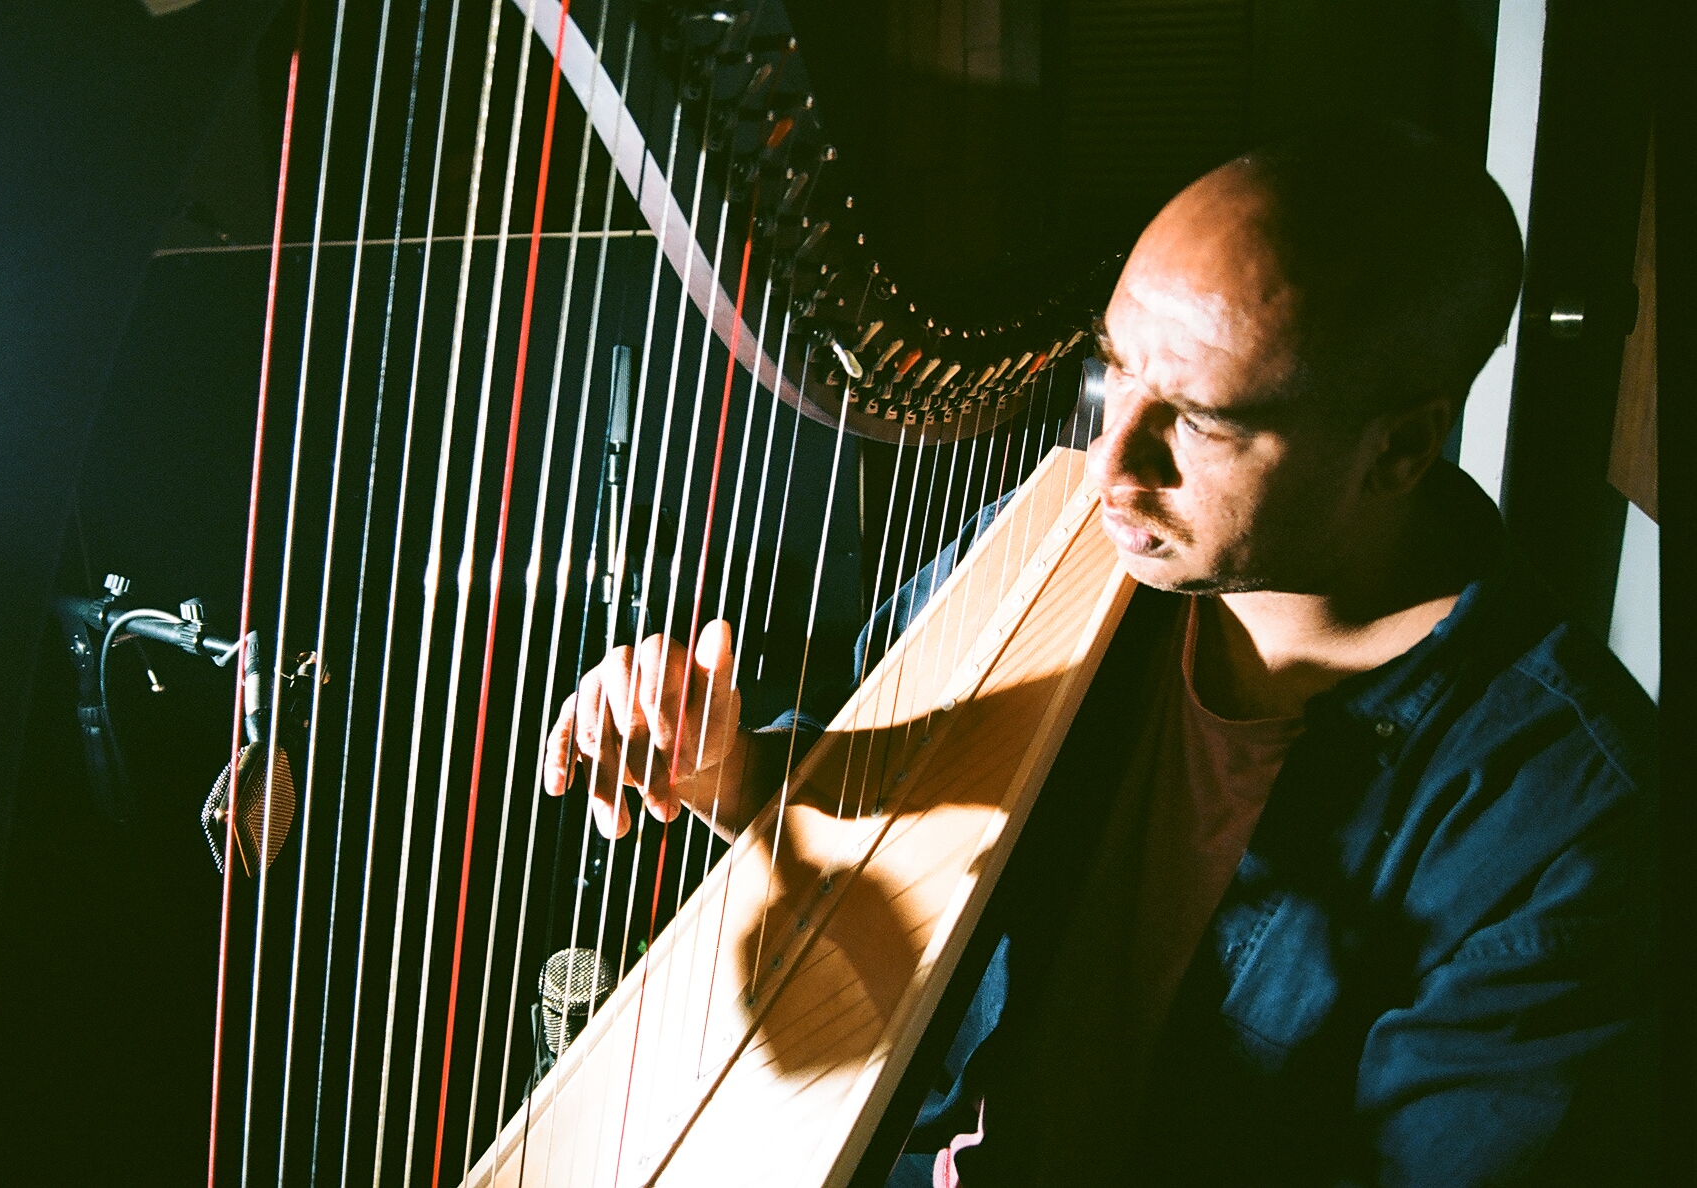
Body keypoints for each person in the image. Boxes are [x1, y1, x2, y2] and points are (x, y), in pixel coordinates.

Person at [540, 120, 1659, 1185]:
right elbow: (890, 796)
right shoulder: (1092, 547)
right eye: (1115, 367)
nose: (1112, 457)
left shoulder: (1575, 836)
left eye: (1201, 421)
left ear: (1401, 447)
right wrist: (729, 771)